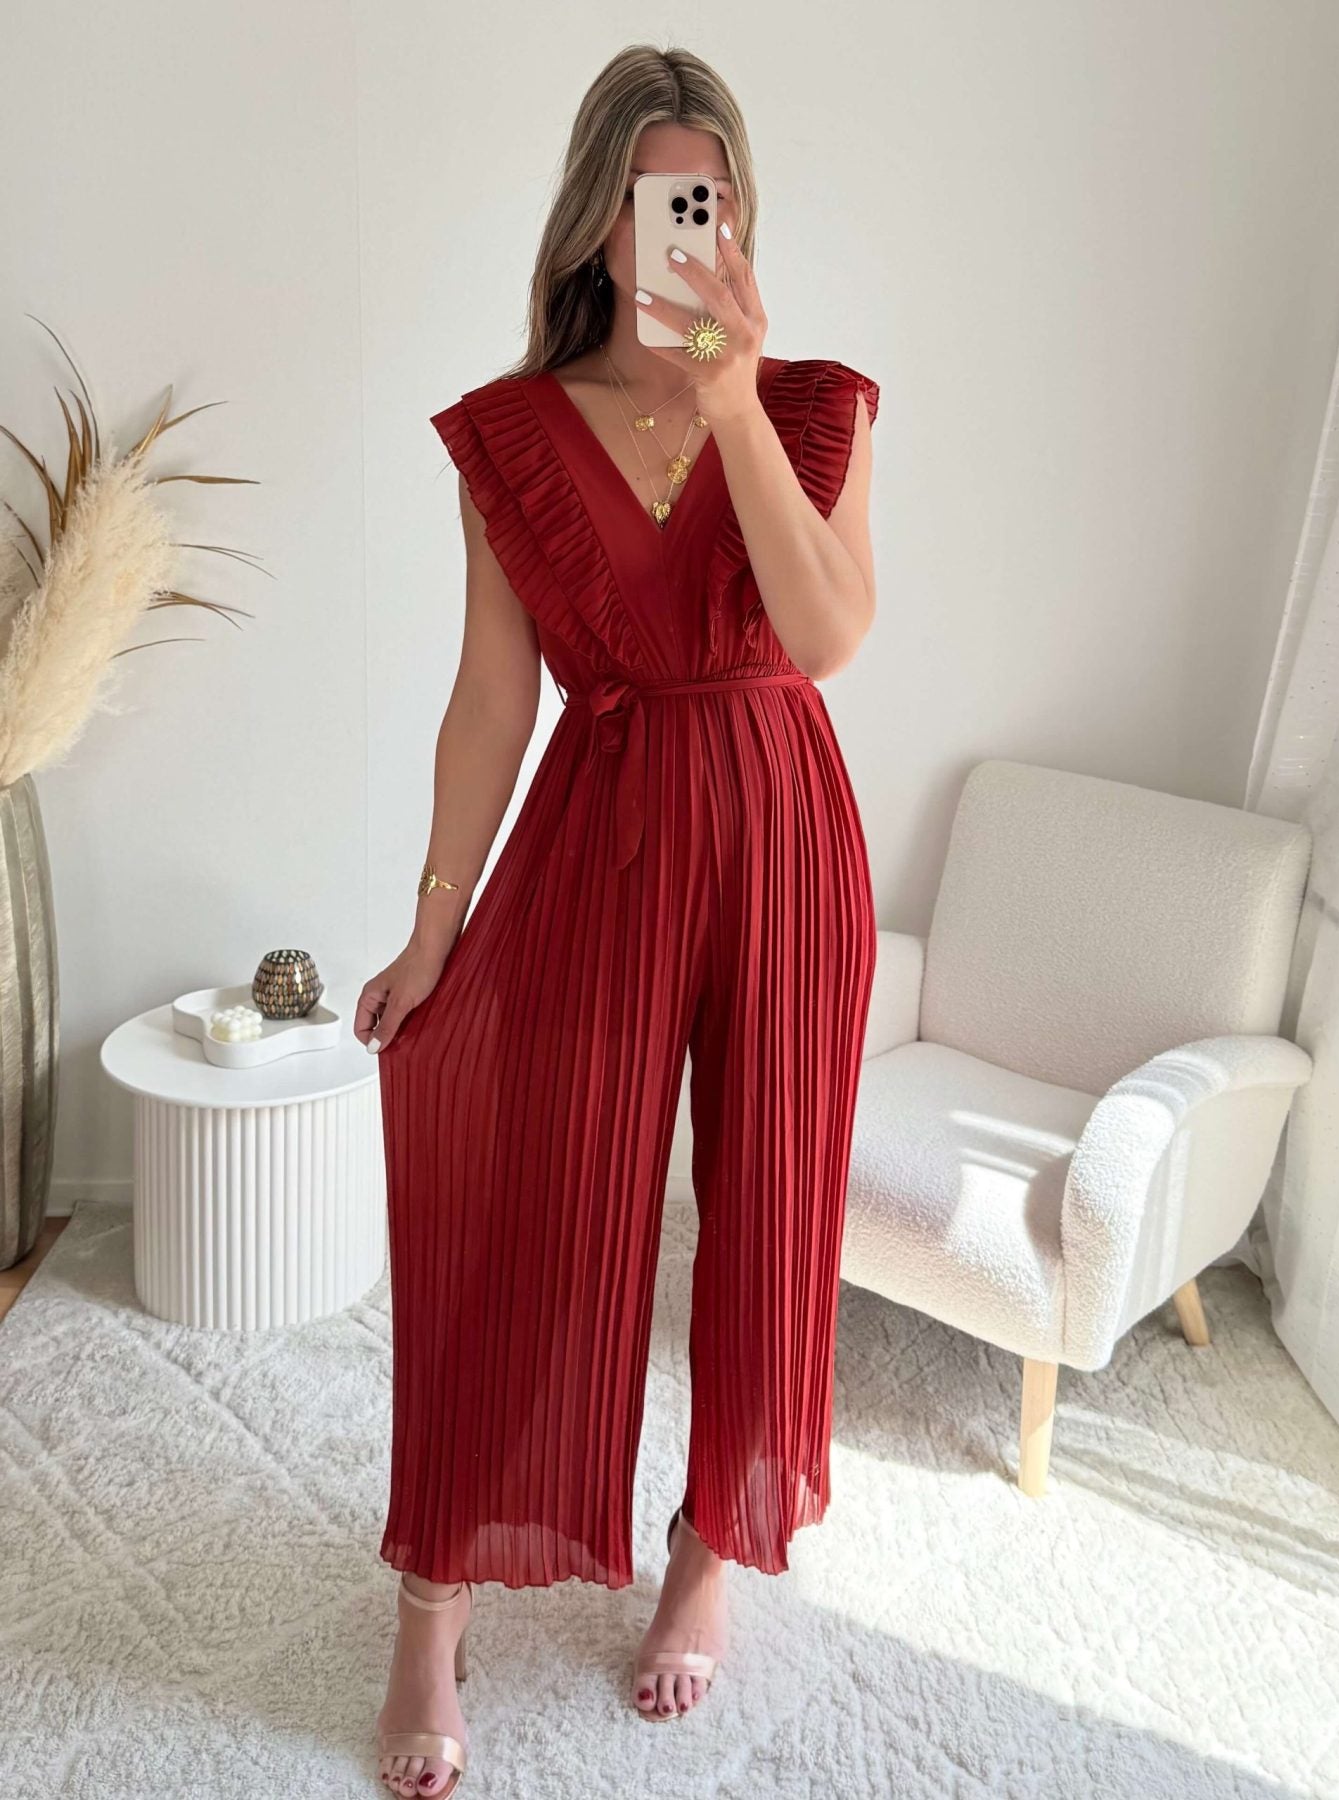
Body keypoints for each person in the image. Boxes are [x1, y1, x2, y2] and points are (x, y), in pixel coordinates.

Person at [355, 42, 880, 1799]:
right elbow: (487, 698)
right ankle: (432, 1602)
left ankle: (705, 1557)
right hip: (603, 833)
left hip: (784, 839)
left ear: (737, 215)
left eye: (704, 198)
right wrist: (434, 924)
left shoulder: (815, 406)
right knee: (533, 1199)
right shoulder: (509, 436)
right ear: (596, 215)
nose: (679, 227)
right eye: (652, 197)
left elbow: (824, 637)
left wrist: (734, 407)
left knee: (767, 1215)